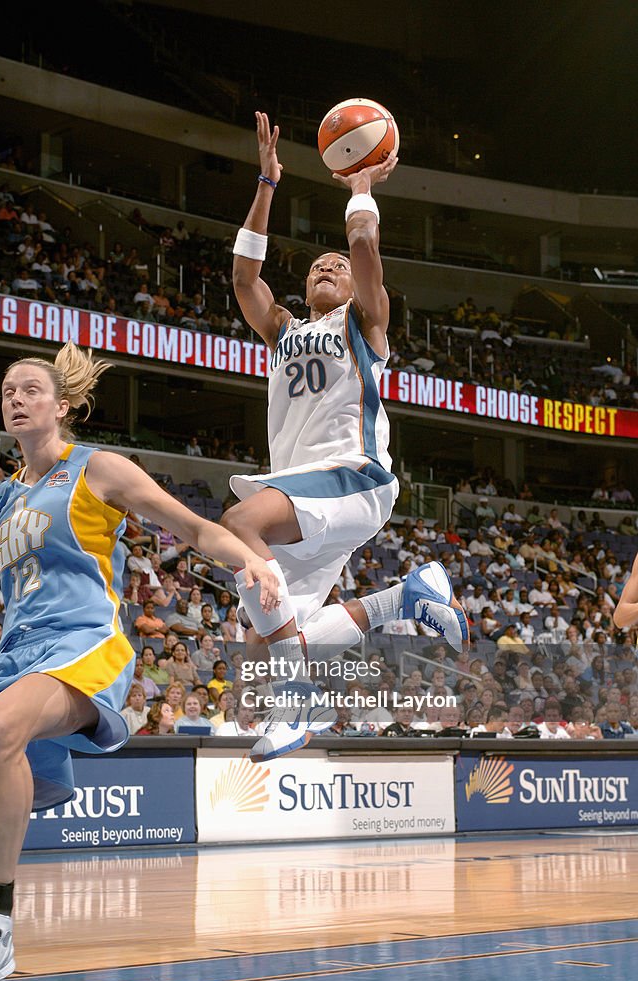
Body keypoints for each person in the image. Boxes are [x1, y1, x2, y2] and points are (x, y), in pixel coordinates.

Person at [0, 341, 280, 981]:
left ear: (63, 406)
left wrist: (251, 560)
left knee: (0, 727)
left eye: (31, 390)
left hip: (83, 645)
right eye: (8, 392)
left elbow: (188, 526)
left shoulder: (97, 467)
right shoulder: (4, 496)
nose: (16, 398)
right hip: (17, 655)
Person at [222, 111, 467, 764]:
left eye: (338, 265)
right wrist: (266, 183)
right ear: (303, 287)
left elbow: (365, 256)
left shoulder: (365, 323)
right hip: (311, 501)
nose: (328, 267)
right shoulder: (285, 331)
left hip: (353, 475)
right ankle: (406, 596)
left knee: (238, 525)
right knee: (267, 641)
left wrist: (360, 191)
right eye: (317, 267)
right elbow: (245, 279)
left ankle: (295, 699)